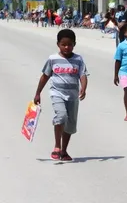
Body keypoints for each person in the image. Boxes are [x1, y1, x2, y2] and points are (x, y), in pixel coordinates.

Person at [33, 29, 88, 162]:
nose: (66, 47)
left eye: (69, 44)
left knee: (70, 124)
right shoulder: (53, 59)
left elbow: (83, 75)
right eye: (63, 44)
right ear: (58, 44)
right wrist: (38, 93)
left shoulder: (78, 59)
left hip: (73, 96)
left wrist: (83, 88)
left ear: (74, 44)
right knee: (61, 116)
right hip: (57, 93)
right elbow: (45, 76)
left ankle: (64, 151)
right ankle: (57, 146)